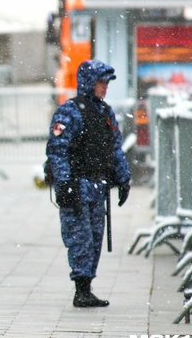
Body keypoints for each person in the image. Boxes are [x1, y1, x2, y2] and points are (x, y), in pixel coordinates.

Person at [46, 59, 131, 308]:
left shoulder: (105, 112)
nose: (104, 87)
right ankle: (81, 288)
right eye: (100, 82)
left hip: (98, 184)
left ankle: (87, 286)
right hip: (77, 183)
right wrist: (64, 183)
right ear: (88, 83)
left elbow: (116, 147)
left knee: (95, 238)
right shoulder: (69, 111)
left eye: (106, 83)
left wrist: (123, 178)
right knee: (79, 238)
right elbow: (57, 150)